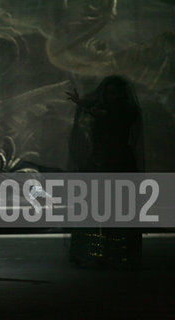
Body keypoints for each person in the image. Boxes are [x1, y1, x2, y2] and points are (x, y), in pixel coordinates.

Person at [66, 75, 144, 269]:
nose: (112, 96)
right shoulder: (107, 109)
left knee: (120, 209)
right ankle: (100, 253)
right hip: (101, 162)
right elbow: (98, 113)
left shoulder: (128, 111)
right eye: (109, 92)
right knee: (100, 210)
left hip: (120, 164)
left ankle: (119, 253)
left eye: (116, 92)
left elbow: (110, 117)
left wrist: (86, 106)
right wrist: (82, 103)